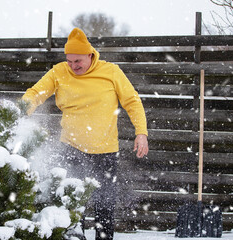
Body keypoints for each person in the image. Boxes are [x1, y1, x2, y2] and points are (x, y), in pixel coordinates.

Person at [21, 27, 148, 240]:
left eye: (78, 61)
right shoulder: (58, 72)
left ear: (90, 55)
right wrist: (21, 110)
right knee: (72, 205)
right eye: (69, 61)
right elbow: (36, 93)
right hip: (70, 148)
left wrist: (141, 133)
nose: (73, 66)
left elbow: (132, 102)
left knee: (104, 206)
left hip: (105, 152)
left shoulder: (111, 72)